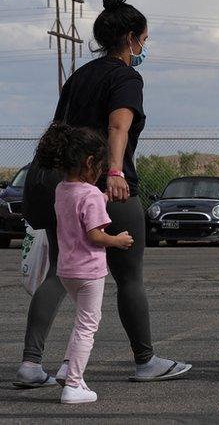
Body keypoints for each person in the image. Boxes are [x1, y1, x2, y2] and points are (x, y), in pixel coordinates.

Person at [14, 0, 191, 389]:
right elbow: (117, 126)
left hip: (60, 184)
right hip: (105, 185)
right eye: (143, 39)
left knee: (61, 272)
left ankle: (30, 363)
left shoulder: (79, 75)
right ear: (130, 38)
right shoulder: (126, 76)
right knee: (130, 277)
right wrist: (114, 170)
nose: (144, 47)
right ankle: (145, 360)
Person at [32, 124, 135, 403]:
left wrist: (101, 196)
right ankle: (73, 385)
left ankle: (68, 368)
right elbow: (95, 234)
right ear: (90, 162)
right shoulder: (89, 195)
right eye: (100, 167)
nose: (101, 172)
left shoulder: (63, 189)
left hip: (67, 270)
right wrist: (118, 240)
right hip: (89, 271)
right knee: (88, 325)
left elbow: (81, 207)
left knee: (81, 321)